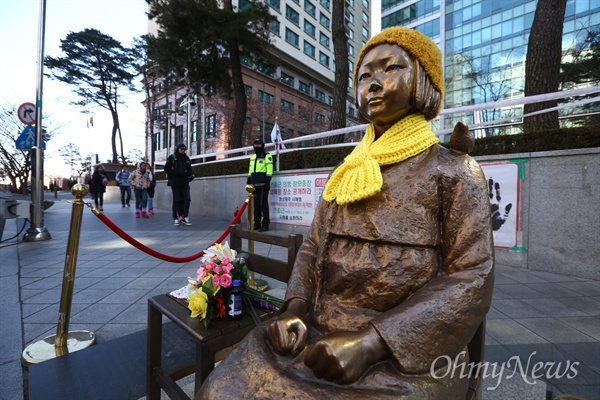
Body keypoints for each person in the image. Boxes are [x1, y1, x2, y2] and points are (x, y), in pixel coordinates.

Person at [196, 27, 494, 400]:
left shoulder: (452, 171)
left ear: (422, 81)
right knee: (220, 390)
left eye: (390, 69)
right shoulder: (349, 170)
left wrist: (370, 344)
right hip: (316, 333)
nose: (373, 83)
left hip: (398, 356)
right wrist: (295, 309)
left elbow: (472, 277)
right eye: (365, 75)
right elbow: (313, 248)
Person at [246, 137, 273, 232]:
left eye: (259, 144)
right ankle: (256, 223)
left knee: (263, 205)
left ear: (262, 145)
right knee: (256, 205)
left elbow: (269, 169)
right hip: (254, 184)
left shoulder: (267, 156)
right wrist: (249, 179)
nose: (257, 146)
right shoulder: (252, 157)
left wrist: (267, 181)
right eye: (255, 144)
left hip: (263, 184)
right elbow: (250, 170)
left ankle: (265, 224)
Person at [165, 143, 193, 226]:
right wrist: (177, 173)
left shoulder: (187, 158)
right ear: (177, 149)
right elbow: (167, 169)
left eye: (184, 149)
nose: (183, 151)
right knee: (177, 200)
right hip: (175, 182)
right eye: (181, 149)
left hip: (184, 182)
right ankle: (175, 217)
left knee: (187, 199)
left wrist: (189, 175)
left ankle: (185, 216)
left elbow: (190, 170)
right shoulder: (172, 157)